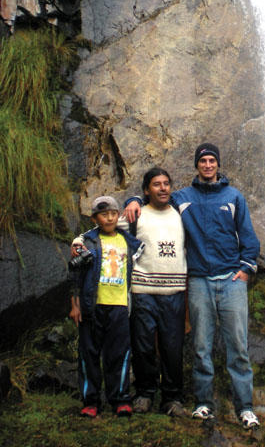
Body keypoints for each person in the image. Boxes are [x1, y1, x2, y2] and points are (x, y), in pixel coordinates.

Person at [124, 143, 261, 429]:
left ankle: (245, 407)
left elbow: (248, 235)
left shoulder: (234, 196)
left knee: (238, 346)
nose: (208, 165)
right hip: (199, 280)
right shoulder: (182, 197)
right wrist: (134, 197)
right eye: (203, 161)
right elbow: (155, 197)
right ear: (197, 165)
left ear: (218, 164)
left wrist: (246, 269)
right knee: (200, 346)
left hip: (231, 279)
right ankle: (202, 403)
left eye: (212, 160)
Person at [72, 168, 187, 416]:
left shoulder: (181, 213)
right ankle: (144, 394)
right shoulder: (134, 216)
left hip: (175, 291)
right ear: (146, 190)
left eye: (167, 183)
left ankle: (172, 398)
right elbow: (103, 227)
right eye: (156, 184)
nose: (163, 188)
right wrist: (78, 242)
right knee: (143, 346)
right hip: (143, 290)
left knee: (173, 348)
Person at [69, 195, 142, 418]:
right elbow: (75, 275)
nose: (109, 218)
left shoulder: (128, 241)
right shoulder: (86, 243)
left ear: (118, 215)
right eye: (103, 214)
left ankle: (120, 399)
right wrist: (75, 304)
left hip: (119, 305)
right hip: (93, 305)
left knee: (119, 354)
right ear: (95, 218)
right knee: (89, 353)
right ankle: (90, 400)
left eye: (113, 213)